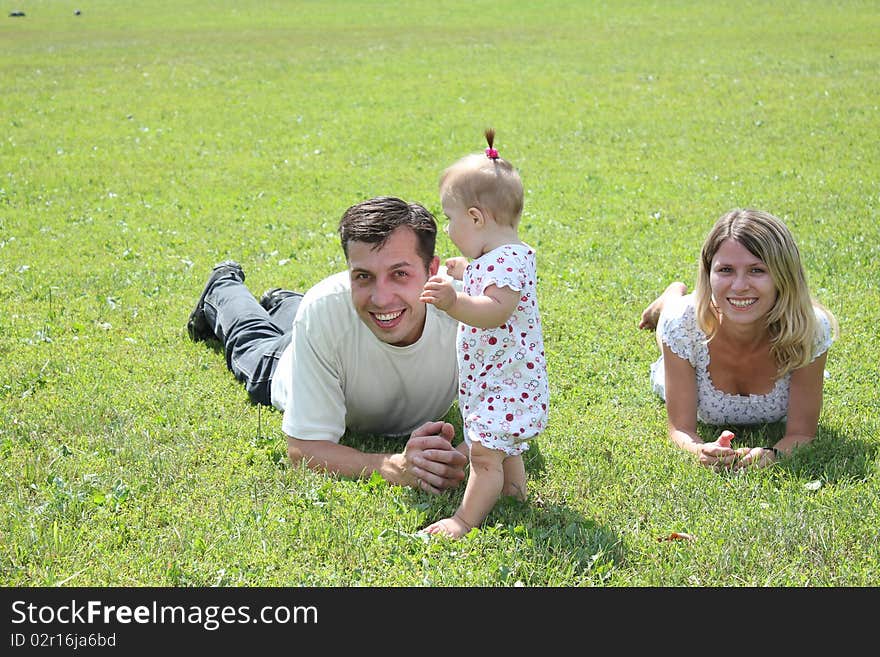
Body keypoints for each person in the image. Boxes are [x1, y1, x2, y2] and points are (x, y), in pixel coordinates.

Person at [186, 196, 468, 493]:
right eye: (363, 276)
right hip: (287, 361)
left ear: (432, 270)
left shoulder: (468, 310)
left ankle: (282, 301)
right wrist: (394, 468)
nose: (381, 297)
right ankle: (222, 285)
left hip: (326, 328)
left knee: (322, 314)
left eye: (400, 274)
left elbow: (510, 407)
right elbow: (303, 450)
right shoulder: (324, 310)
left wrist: (460, 457)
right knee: (251, 338)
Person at [418, 129, 549, 538]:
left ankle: (463, 520)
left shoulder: (507, 263)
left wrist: (453, 302)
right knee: (503, 447)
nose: (449, 228)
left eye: (450, 219)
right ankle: (513, 494)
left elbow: (495, 311)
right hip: (497, 378)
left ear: (475, 218)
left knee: (484, 456)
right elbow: (484, 276)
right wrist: (463, 269)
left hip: (507, 383)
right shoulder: (498, 257)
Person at [639, 208, 838, 470]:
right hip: (683, 323)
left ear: (784, 276)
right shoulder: (682, 325)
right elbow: (681, 429)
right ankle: (670, 299)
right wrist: (700, 450)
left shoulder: (810, 328)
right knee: (672, 321)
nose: (740, 285)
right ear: (708, 274)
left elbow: (802, 433)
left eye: (757, 270)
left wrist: (773, 454)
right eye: (726, 270)